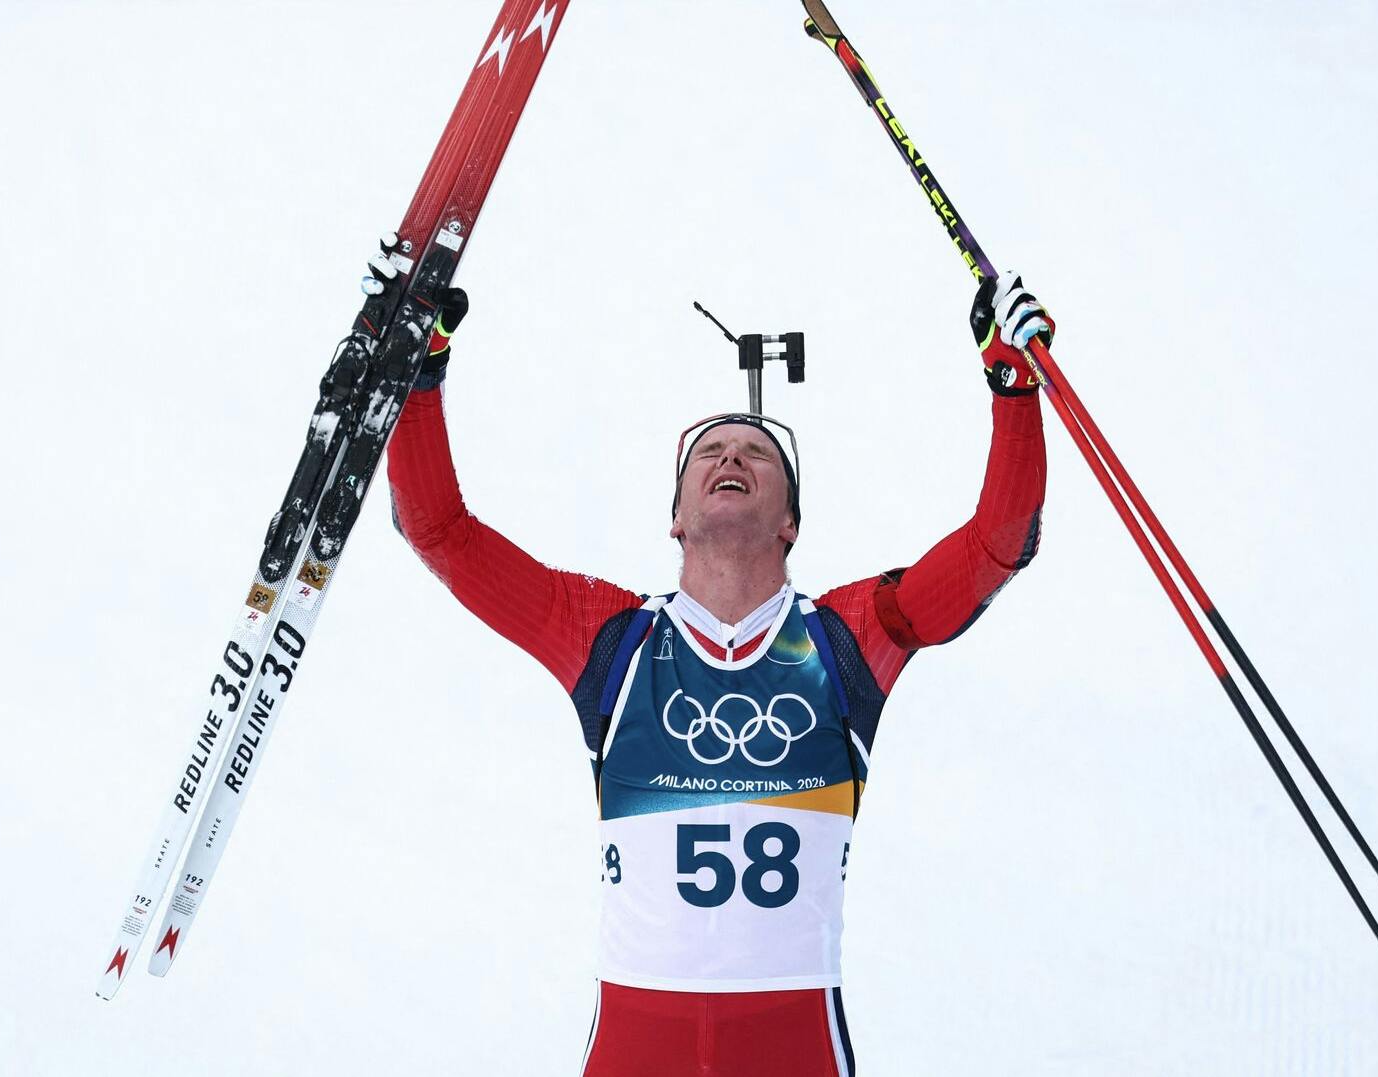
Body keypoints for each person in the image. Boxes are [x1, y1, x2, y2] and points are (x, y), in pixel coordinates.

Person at [374, 237, 1051, 1076]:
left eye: (756, 453)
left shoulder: (849, 638)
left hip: (793, 1040)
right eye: (710, 452)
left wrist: (1013, 386)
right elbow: (440, 533)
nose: (731, 456)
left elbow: (996, 545)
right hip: (637, 1039)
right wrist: (419, 375)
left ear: (790, 522)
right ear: (676, 519)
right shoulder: (609, 638)